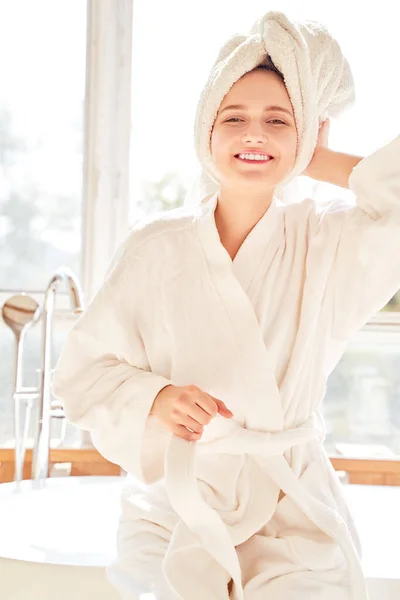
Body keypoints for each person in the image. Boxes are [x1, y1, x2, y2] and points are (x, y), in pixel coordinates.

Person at [52, 10, 400, 600]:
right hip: (176, 503)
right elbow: (83, 373)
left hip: (292, 506)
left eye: (277, 120)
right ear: (205, 135)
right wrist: (155, 397)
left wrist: (313, 158)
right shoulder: (155, 246)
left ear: (307, 132)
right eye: (233, 118)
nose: (253, 134)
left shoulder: (326, 240)